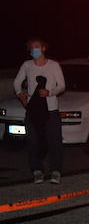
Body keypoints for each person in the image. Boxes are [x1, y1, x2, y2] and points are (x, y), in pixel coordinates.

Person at [13, 39, 65, 184]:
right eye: (31, 48)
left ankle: (56, 171)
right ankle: (37, 171)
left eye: (36, 47)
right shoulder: (27, 65)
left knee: (54, 141)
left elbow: (61, 86)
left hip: (50, 110)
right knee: (33, 141)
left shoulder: (53, 65)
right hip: (34, 110)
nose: (33, 50)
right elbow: (17, 82)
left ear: (43, 48)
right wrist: (20, 94)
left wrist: (49, 92)